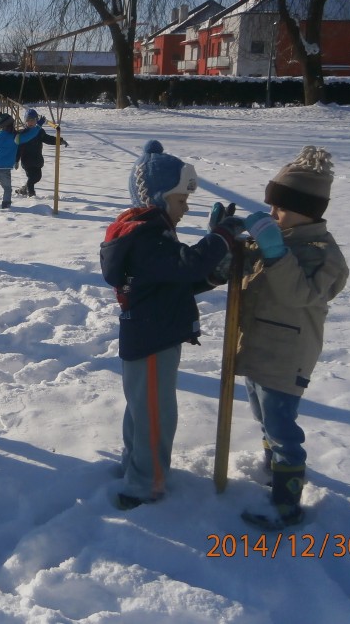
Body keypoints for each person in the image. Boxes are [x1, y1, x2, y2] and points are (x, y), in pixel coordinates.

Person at [99, 139, 245, 509]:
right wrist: (221, 236)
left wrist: (214, 274)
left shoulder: (151, 234)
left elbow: (174, 279)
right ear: (159, 198)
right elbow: (186, 264)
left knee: (143, 409)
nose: (186, 207)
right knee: (154, 415)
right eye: (181, 200)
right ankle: (144, 483)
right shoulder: (146, 237)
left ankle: (136, 467)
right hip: (152, 338)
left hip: (151, 332)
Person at [236, 146, 349, 530]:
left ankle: (286, 504)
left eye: (280, 208)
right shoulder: (280, 239)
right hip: (258, 348)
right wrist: (228, 239)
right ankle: (273, 468)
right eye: (271, 206)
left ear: (306, 211)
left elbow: (298, 293)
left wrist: (275, 251)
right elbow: (245, 273)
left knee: (282, 428)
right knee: (264, 417)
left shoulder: (323, 254)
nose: (272, 214)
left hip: (287, 357)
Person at [0, 111, 41, 208]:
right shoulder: (14, 137)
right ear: (9, 125)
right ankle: (6, 204)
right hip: (4, 168)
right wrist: (38, 126)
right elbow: (28, 136)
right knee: (7, 188)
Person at [15, 109, 67, 198]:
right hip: (27, 161)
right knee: (32, 179)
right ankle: (32, 196)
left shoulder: (39, 132)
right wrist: (16, 160)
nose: (31, 122)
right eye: (28, 120)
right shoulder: (23, 133)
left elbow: (48, 139)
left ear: (36, 121)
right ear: (25, 121)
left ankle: (24, 189)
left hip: (37, 160)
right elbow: (18, 149)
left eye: (33, 120)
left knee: (37, 177)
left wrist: (60, 141)